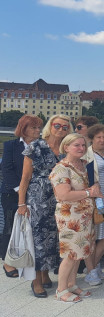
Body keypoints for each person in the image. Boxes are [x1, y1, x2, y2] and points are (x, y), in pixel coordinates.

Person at [17, 114, 71, 297]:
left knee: (53, 238)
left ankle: (46, 273)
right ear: (51, 125)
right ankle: (36, 281)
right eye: (58, 125)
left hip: (59, 200)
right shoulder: (36, 146)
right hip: (38, 199)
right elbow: (25, 178)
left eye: (65, 127)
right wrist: (21, 203)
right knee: (37, 240)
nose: (61, 129)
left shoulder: (66, 149)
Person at [49, 133, 103, 302]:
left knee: (79, 252)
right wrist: (89, 192)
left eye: (82, 145)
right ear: (66, 147)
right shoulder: (61, 168)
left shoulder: (83, 164)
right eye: (76, 145)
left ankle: (72, 284)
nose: (80, 148)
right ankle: (61, 289)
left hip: (84, 216)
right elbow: (63, 194)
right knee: (70, 253)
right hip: (70, 217)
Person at [1, 114, 42, 278]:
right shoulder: (11, 145)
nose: (37, 130)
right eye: (34, 127)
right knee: (11, 226)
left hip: (35, 195)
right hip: (12, 193)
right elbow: (7, 170)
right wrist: (21, 190)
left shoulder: (41, 146)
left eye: (39, 127)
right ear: (23, 129)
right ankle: (7, 261)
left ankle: (26, 258)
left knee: (30, 228)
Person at [83, 124, 104, 285]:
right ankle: (92, 270)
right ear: (92, 139)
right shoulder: (86, 155)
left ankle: (93, 267)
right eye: (98, 137)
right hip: (95, 199)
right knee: (94, 236)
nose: (102, 140)